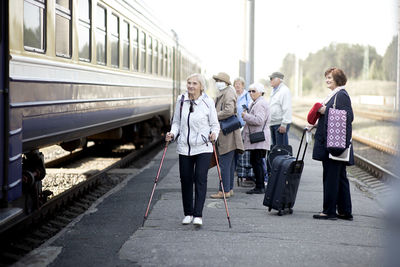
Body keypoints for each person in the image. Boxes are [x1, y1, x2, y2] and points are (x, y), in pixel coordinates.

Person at [165, 73, 220, 226]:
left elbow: (215, 125)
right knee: (186, 180)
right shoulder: (181, 100)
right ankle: (188, 213)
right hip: (184, 147)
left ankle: (198, 214)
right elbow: (176, 122)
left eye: (194, 83)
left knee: (200, 179)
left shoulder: (208, 102)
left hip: (203, 147)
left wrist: (214, 134)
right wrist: (173, 133)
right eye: (189, 83)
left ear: (201, 86)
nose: (190, 86)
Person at [309, 67, 353, 220]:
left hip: (333, 144)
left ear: (338, 79)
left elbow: (347, 117)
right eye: (326, 77)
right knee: (339, 177)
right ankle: (345, 211)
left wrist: (324, 111)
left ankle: (329, 211)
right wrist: (314, 124)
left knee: (331, 177)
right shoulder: (335, 94)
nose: (327, 80)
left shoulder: (341, 95)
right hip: (333, 143)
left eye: (330, 77)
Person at [210, 72, 244, 199]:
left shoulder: (228, 92)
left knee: (224, 163)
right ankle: (228, 189)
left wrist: (214, 115)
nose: (216, 82)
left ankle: (223, 191)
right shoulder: (226, 91)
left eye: (218, 80)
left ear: (224, 82)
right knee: (228, 164)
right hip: (228, 133)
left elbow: (229, 110)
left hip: (227, 134)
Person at [242, 82, 271, 194]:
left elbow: (259, 120)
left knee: (257, 161)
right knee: (256, 161)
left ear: (260, 92)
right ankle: (259, 185)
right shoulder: (257, 102)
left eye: (253, 91)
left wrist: (246, 116)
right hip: (258, 137)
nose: (251, 93)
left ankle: (260, 186)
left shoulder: (260, 104)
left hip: (259, 137)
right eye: (249, 91)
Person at [233, 77, 255, 187]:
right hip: (234, 126)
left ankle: (244, 172)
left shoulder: (247, 96)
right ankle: (238, 169)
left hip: (244, 126)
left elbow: (249, 109)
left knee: (243, 149)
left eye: (239, 84)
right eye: (235, 84)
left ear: (243, 85)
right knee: (236, 148)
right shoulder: (233, 95)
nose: (237, 86)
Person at [269, 71, 292, 147]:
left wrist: (284, 124)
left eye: (272, 78)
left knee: (281, 149)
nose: (270, 80)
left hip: (280, 124)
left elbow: (287, 108)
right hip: (274, 123)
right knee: (275, 149)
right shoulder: (274, 90)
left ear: (279, 80)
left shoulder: (284, 91)